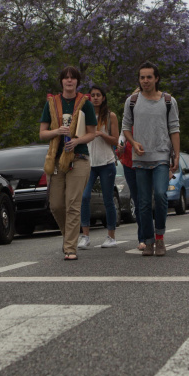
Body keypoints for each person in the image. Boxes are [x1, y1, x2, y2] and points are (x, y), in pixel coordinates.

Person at [121, 61, 180, 257]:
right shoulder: (132, 101)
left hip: (162, 156)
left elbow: (174, 129)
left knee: (161, 195)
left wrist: (177, 155)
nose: (145, 80)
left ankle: (160, 238)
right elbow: (126, 127)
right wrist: (133, 142)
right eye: (142, 77)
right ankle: (148, 240)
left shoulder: (168, 101)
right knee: (143, 202)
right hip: (140, 159)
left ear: (156, 79)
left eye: (149, 77)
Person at [40, 66, 97, 261]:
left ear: (77, 82)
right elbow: (42, 133)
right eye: (66, 78)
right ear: (62, 81)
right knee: (56, 204)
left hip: (79, 158)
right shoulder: (51, 103)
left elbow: (92, 132)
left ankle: (70, 248)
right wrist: (58, 132)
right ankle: (69, 237)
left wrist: (77, 141)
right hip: (56, 159)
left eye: (73, 78)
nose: (69, 81)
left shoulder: (85, 104)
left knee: (73, 203)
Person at [78, 85, 119, 250]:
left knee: (108, 199)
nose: (95, 98)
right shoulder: (84, 116)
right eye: (92, 95)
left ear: (103, 98)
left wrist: (102, 134)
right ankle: (85, 236)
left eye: (98, 95)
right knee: (84, 197)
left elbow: (115, 141)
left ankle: (111, 236)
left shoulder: (110, 116)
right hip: (89, 163)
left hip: (106, 163)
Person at [117, 96, 146, 251]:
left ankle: (152, 234)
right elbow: (121, 141)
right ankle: (142, 237)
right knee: (138, 200)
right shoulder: (126, 123)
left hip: (147, 163)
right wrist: (120, 148)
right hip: (129, 164)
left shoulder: (149, 118)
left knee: (145, 200)